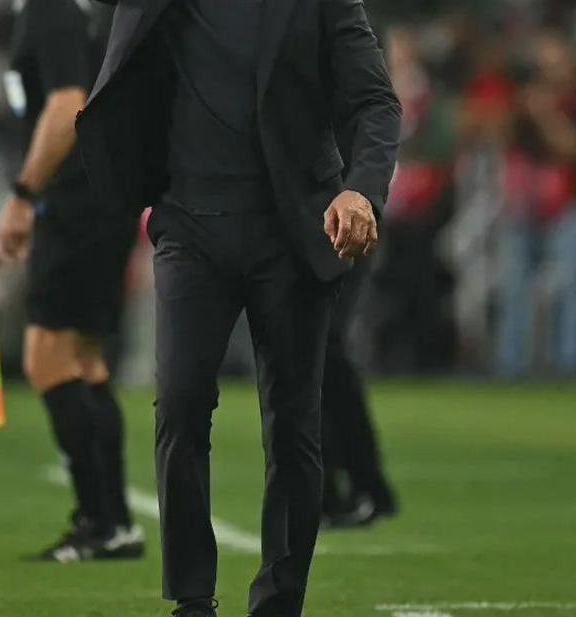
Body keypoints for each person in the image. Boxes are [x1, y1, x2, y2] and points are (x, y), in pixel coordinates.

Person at [77, 0, 401, 615]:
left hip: (291, 233)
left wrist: (362, 189)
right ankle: (191, 601)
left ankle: (279, 602)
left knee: (293, 426)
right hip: (189, 229)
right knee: (179, 407)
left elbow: (375, 101)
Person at [0, 0, 143, 563]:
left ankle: (100, 520)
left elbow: (65, 105)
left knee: (46, 358)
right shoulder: (85, 13)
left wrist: (22, 195)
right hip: (104, 196)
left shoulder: (50, 11)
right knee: (85, 361)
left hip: (76, 203)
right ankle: (114, 523)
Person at [320, 258, 399, 529]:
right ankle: (365, 486)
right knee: (323, 353)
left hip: (326, 242)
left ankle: (328, 494)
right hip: (327, 241)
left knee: (315, 350)